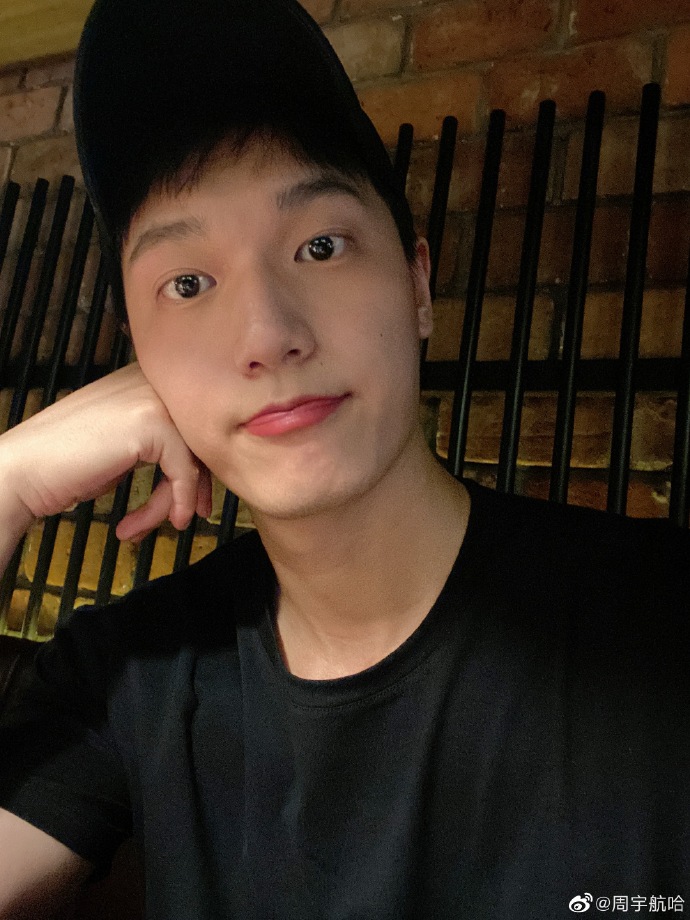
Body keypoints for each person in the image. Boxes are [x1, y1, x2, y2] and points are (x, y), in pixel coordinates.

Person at [0, 0, 688, 917]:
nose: (267, 334)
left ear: (417, 285)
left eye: (319, 246)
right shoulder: (126, 672)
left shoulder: (657, 629)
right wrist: (6, 480)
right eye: (188, 283)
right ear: (139, 353)